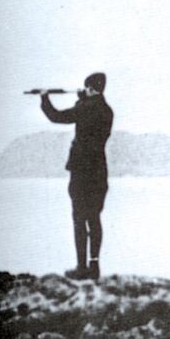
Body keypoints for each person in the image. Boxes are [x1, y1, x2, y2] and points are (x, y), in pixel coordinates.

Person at [40, 72, 113, 280]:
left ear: (90, 88)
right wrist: (84, 99)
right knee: (94, 218)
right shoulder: (107, 111)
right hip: (99, 172)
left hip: (82, 172)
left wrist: (45, 98)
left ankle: (81, 268)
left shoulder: (85, 108)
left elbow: (57, 116)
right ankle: (94, 266)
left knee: (79, 219)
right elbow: (90, 113)